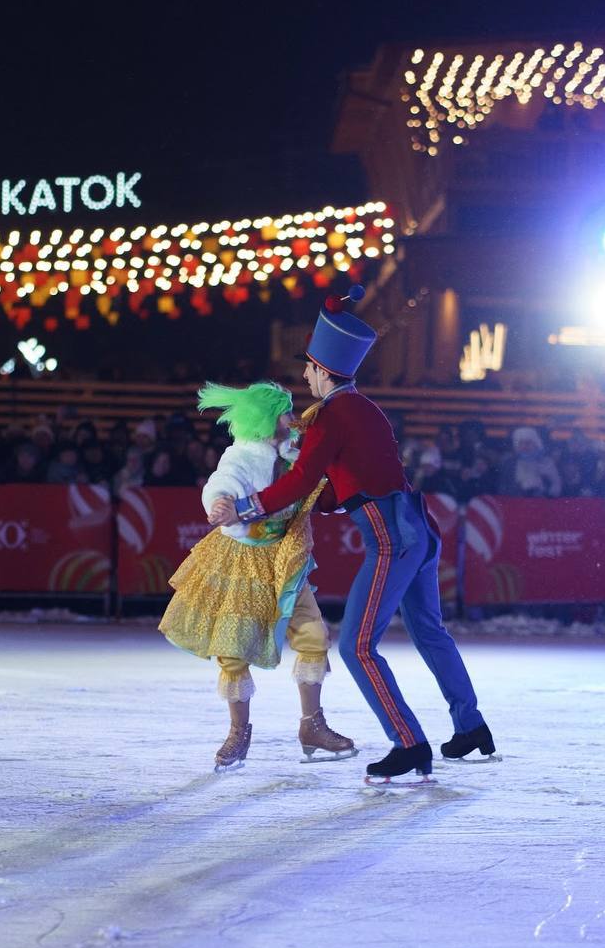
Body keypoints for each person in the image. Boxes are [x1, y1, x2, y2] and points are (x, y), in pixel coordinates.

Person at [209, 290, 497, 783]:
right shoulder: (365, 409)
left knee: (357, 648)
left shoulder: (330, 417)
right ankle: (471, 727)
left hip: (392, 537)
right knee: (430, 632)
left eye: (308, 369)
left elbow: (303, 480)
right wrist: (313, 501)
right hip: (418, 528)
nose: (304, 377)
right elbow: (350, 483)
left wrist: (247, 506)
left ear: (324, 371)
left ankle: (408, 743)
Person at [159, 382, 354, 771]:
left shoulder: (292, 451)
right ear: (267, 419)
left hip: (286, 560)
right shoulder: (242, 457)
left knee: (314, 636)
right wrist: (220, 502)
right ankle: (238, 732)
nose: (290, 417)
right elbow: (222, 482)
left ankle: (312, 725)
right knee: (233, 651)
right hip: (244, 561)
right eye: (284, 412)